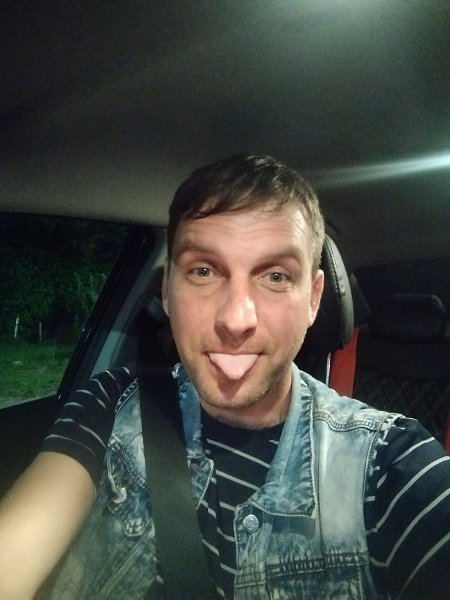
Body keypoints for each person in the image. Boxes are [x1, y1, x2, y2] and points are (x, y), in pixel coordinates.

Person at [0, 154, 449, 600]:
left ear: (313, 300)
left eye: (275, 276)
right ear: (167, 290)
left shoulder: (392, 463)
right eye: (203, 271)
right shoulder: (111, 402)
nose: (236, 320)